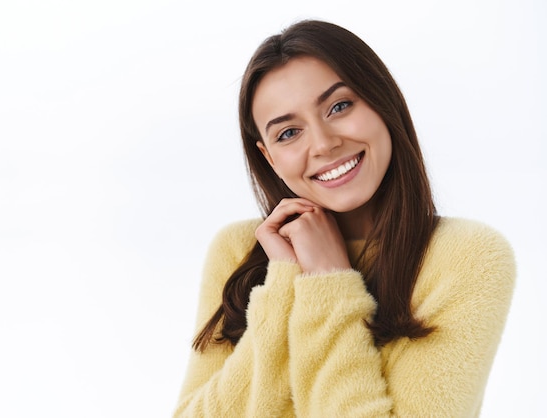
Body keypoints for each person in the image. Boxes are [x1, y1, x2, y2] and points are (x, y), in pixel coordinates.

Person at [173, 19, 515, 417]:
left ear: (381, 101)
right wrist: (284, 281)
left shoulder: (469, 258)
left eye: (339, 106)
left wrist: (328, 281)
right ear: (269, 158)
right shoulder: (239, 250)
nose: (323, 143)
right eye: (288, 133)